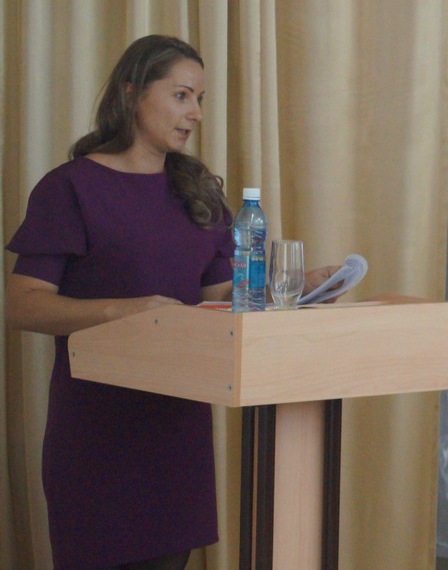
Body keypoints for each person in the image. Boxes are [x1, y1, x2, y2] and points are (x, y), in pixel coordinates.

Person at [5, 35, 341, 570]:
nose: (196, 114)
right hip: (97, 436)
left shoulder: (198, 191)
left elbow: (218, 295)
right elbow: (22, 304)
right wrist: (125, 310)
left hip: (178, 434)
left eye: (200, 100)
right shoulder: (69, 187)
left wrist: (295, 289)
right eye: (182, 96)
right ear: (131, 92)